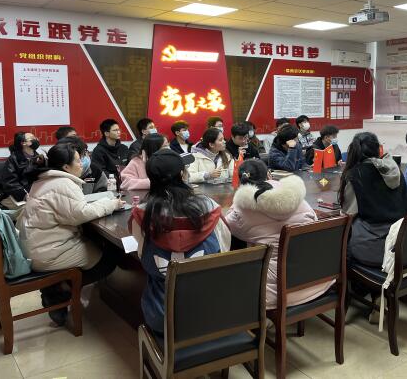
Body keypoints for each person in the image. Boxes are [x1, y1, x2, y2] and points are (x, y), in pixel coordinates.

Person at [18, 143, 123, 325]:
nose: (82, 163)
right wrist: (111, 204)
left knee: (95, 241)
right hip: (48, 251)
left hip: (37, 246)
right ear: (66, 167)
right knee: (110, 258)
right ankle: (60, 289)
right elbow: (80, 214)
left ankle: (56, 288)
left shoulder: (44, 179)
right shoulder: (63, 183)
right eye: (78, 160)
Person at [129, 149, 229, 336]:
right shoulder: (210, 207)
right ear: (183, 174)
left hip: (162, 316)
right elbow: (223, 250)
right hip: (211, 311)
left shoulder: (142, 214)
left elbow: (142, 253)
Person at [225, 159, 333, 309]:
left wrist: (236, 203)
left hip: (279, 292)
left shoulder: (243, 208)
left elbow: (226, 228)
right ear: (269, 175)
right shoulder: (296, 196)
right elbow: (314, 221)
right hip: (318, 278)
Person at [338, 132, 407, 267]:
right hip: (404, 244)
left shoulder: (356, 174)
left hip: (375, 249)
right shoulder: (395, 169)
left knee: (340, 242)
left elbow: (348, 215)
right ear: (378, 149)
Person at [0, 132, 45, 210]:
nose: (36, 139)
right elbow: (10, 182)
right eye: (32, 138)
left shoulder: (40, 158)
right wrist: (24, 195)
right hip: (17, 196)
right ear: (23, 143)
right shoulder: (13, 159)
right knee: (33, 209)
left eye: (35, 137)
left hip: (36, 194)